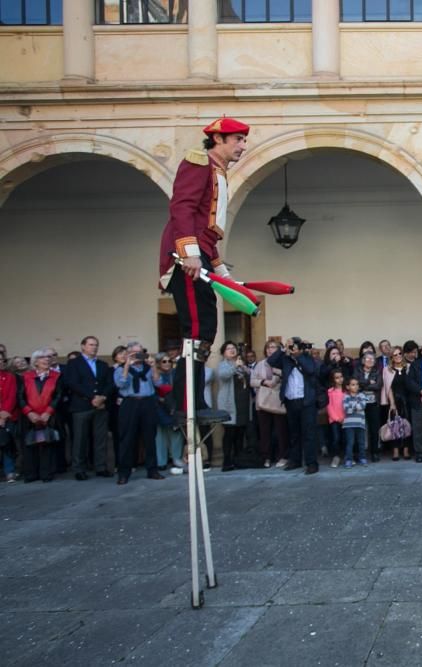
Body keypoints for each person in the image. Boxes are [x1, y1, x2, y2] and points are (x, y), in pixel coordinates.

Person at [158, 116, 249, 418]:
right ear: (219, 139)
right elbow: (181, 207)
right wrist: (190, 254)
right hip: (188, 257)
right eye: (238, 140)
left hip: (202, 254)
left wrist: (221, 270)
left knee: (205, 329)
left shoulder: (218, 171)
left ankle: (191, 399)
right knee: (196, 328)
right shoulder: (199, 162)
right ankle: (186, 401)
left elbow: (209, 229)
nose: (243, 146)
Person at [61, 336, 114, 480]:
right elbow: (72, 383)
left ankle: (101, 467)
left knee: (100, 438)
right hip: (81, 405)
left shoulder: (103, 364)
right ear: (83, 346)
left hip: (101, 405)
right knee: (80, 439)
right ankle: (79, 469)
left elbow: (110, 383)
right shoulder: (73, 364)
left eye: (96, 345)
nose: (94, 347)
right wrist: (92, 397)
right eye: (91, 345)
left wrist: (103, 397)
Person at [114, 342, 165, 484]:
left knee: (150, 437)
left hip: (147, 402)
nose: (138, 356)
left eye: (140, 352)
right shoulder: (120, 369)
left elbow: (158, 383)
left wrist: (154, 365)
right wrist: (127, 365)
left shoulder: (148, 368)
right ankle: (124, 472)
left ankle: (152, 470)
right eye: (134, 353)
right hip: (130, 403)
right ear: (128, 354)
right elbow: (120, 384)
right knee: (127, 438)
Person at [267, 337, 320, 474]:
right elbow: (270, 361)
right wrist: (283, 349)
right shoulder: (285, 359)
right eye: (291, 347)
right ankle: (295, 460)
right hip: (291, 400)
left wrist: (299, 355)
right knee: (294, 433)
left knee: (309, 434)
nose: (293, 349)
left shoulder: (307, 357)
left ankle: (311, 463)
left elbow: (310, 370)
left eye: (295, 347)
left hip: (306, 401)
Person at [19, 350, 62, 483]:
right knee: (30, 444)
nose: (46, 360)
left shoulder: (57, 376)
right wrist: (29, 412)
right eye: (42, 358)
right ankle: (31, 474)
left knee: (46, 444)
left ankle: (46, 473)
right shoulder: (26, 376)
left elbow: (58, 396)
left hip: (48, 416)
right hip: (29, 416)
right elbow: (20, 396)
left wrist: (48, 412)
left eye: (48, 358)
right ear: (35, 361)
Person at [252, 340, 288, 468]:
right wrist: (263, 382)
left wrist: (277, 374)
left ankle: (282, 456)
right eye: (267, 347)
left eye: (273, 347)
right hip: (263, 400)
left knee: (281, 431)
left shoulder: (282, 362)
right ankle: (266, 457)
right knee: (264, 431)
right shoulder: (260, 364)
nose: (269, 350)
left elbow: (287, 377)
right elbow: (252, 380)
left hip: (278, 399)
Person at [216, 341, 251, 471]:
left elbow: (249, 376)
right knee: (229, 433)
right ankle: (226, 461)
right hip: (230, 404)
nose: (232, 350)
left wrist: (244, 368)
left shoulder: (241, 364)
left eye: (233, 348)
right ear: (224, 353)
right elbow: (223, 376)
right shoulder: (223, 365)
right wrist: (235, 366)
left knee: (240, 433)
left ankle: (238, 459)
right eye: (228, 349)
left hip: (242, 404)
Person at [152, 354, 184, 475]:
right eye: (164, 361)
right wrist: (159, 399)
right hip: (159, 406)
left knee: (176, 434)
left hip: (174, 406)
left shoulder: (175, 373)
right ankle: (161, 462)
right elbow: (151, 389)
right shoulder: (154, 373)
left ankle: (176, 459)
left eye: (169, 361)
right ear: (159, 363)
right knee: (160, 435)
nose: (167, 363)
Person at [383, 346, 412, 461]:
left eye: (400, 353)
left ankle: (406, 449)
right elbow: (388, 387)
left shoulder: (409, 367)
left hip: (408, 400)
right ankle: (395, 450)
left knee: (407, 425)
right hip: (395, 400)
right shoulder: (387, 370)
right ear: (391, 357)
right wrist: (392, 403)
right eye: (395, 355)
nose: (398, 356)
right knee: (395, 426)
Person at [355, 352, 384, 462]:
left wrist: (364, 385)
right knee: (359, 428)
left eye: (372, 359)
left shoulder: (377, 371)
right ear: (363, 360)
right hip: (359, 403)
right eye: (368, 358)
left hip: (373, 403)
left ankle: (375, 453)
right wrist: (368, 382)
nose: (370, 361)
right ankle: (359, 453)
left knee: (374, 428)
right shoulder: (357, 370)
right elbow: (355, 383)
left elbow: (378, 385)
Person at [342, 377, 373, 468]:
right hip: (348, 425)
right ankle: (349, 460)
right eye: (353, 384)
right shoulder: (346, 397)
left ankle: (362, 458)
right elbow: (346, 409)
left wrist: (353, 406)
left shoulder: (362, 395)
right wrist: (356, 406)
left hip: (360, 424)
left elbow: (362, 406)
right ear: (348, 387)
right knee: (350, 442)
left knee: (361, 442)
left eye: (357, 384)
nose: (356, 386)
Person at [0, 351, 18, 482]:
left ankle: (9, 471)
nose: (1, 362)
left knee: (6, 443)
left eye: (2, 360)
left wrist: (3, 415)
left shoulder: (9, 377)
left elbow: (11, 397)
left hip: (6, 416)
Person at [326, 370, 346, 467]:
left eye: (341, 376)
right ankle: (336, 456)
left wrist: (344, 417)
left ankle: (348, 456)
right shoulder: (330, 391)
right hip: (334, 419)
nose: (340, 379)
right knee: (336, 438)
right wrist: (337, 418)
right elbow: (329, 407)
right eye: (337, 378)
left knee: (346, 438)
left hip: (345, 419)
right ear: (333, 379)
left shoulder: (346, 391)